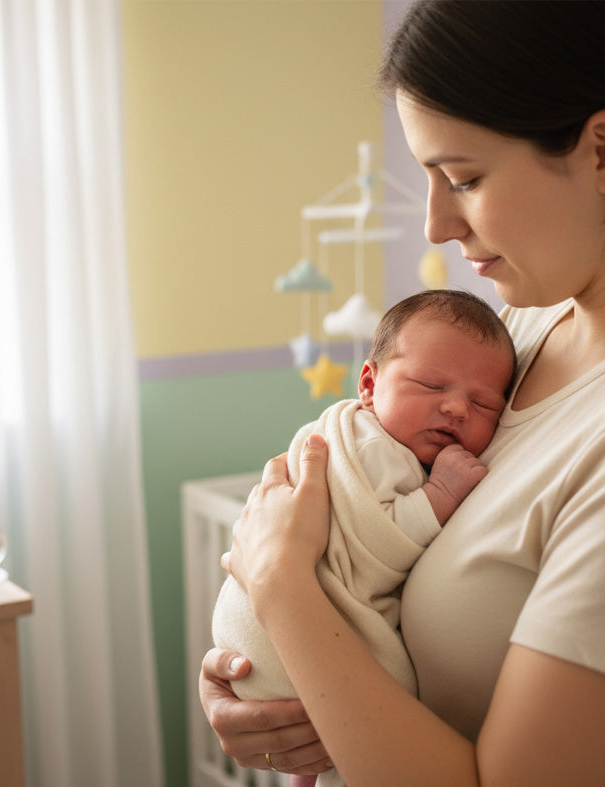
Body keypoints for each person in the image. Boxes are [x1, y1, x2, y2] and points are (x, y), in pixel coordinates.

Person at [198, 2, 605, 785]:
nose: (434, 224)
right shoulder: (519, 325)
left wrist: (283, 588)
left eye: (464, 178)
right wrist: (261, 681)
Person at [212, 289, 514, 707]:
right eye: (430, 384)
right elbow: (374, 542)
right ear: (369, 385)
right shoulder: (373, 449)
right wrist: (440, 493)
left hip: (267, 640)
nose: (458, 408)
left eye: (483, 404)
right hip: (279, 643)